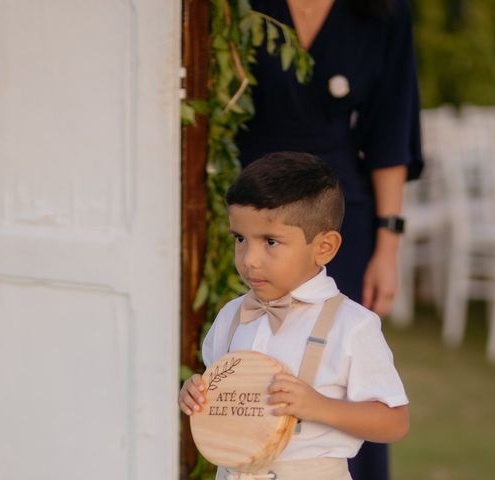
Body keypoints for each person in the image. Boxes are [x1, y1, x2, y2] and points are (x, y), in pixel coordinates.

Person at [235, 1, 423, 477]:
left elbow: (391, 132)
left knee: (345, 369)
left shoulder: (383, 12)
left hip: (338, 217)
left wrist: (388, 245)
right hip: (248, 209)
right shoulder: (237, 7)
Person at [179, 153, 409, 480]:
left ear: (324, 247)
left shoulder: (352, 325)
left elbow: (395, 422)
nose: (250, 260)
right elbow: (222, 391)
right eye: (240, 239)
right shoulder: (231, 317)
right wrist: (198, 394)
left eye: (270, 241)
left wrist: (318, 406)